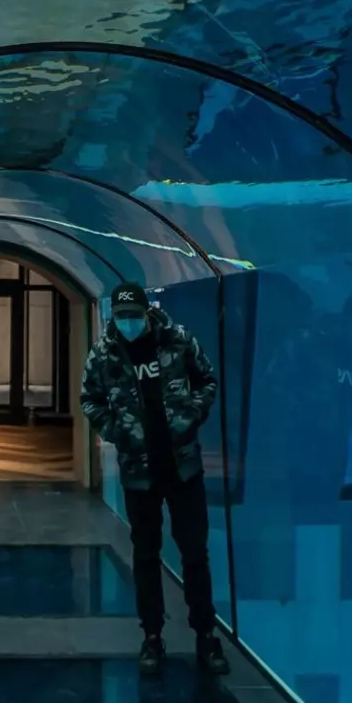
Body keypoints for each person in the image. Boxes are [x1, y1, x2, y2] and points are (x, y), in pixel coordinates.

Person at [81, 282, 230, 676]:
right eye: (121, 317)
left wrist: (191, 415)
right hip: (137, 471)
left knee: (195, 553)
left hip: (183, 466)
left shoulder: (178, 341)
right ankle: (151, 635)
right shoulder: (105, 354)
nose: (128, 323)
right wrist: (115, 430)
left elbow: (207, 380)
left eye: (134, 316)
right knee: (145, 556)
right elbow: (89, 398)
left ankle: (205, 635)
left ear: (148, 313)